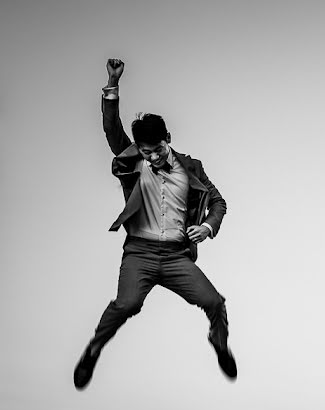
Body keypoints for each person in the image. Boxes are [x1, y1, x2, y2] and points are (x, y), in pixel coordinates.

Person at [73, 58, 237, 390]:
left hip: (177, 257)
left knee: (215, 302)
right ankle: (93, 350)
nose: (154, 157)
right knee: (127, 304)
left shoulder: (192, 168)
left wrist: (206, 227)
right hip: (140, 254)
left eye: (158, 149)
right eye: (147, 152)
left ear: (169, 139)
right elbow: (111, 129)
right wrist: (112, 85)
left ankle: (219, 343)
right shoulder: (133, 161)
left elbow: (219, 202)